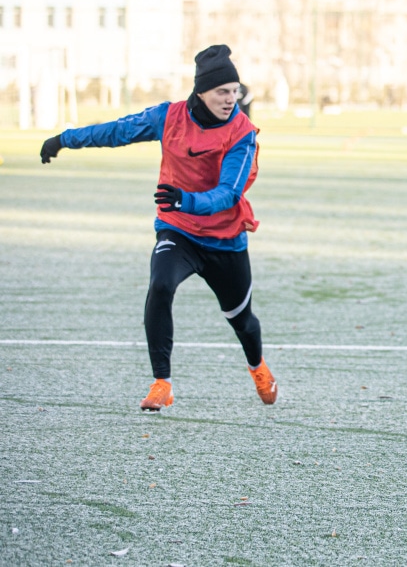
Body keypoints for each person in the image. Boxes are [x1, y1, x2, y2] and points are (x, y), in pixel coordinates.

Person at [39, 45, 277, 411]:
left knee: (241, 320)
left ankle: (258, 367)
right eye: (222, 92)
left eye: (234, 91)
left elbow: (229, 193)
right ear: (202, 91)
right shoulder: (169, 117)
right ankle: (161, 383)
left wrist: (187, 200)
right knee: (161, 285)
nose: (231, 99)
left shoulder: (242, 132)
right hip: (178, 230)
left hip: (225, 238)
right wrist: (64, 139)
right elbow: (118, 131)